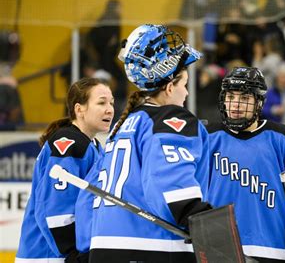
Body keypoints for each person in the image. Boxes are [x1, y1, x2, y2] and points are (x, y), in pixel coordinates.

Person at [88, 24, 211, 262]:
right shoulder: (170, 119)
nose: (186, 93)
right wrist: (205, 224)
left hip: (102, 247)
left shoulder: (123, 125)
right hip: (152, 247)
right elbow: (171, 184)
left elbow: (91, 193)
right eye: (184, 84)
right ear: (169, 86)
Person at [207, 66, 285, 262]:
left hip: (270, 248)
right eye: (231, 97)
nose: (236, 105)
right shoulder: (207, 137)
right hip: (217, 247)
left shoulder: (282, 138)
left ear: (259, 103)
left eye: (244, 98)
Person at [15, 77, 114, 262]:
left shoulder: (92, 145)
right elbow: (55, 205)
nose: (110, 109)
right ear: (79, 109)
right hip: (47, 255)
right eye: (101, 103)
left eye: (111, 102)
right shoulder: (68, 144)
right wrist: (71, 252)